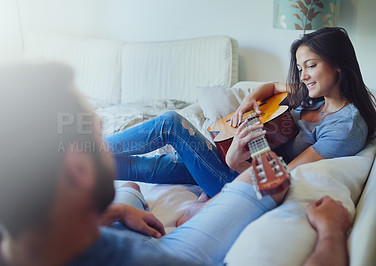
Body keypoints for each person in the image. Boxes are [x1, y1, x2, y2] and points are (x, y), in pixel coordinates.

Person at [0, 63, 351, 266]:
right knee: (264, 183)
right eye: (97, 137)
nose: (303, 73)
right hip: (164, 248)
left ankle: (129, 193)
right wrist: (332, 232)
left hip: (104, 223)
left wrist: (114, 211)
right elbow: (272, 173)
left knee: (133, 185)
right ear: (78, 170)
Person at [106, 27, 376, 224]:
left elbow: (284, 179)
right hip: (242, 163)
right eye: (299, 67)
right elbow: (271, 87)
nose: (303, 76)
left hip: (245, 180)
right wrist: (249, 101)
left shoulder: (346, 127)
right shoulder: (315, 98)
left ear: (339, 64)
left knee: (171, 124)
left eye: (310, 66)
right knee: (155, 166)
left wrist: (236, 161)